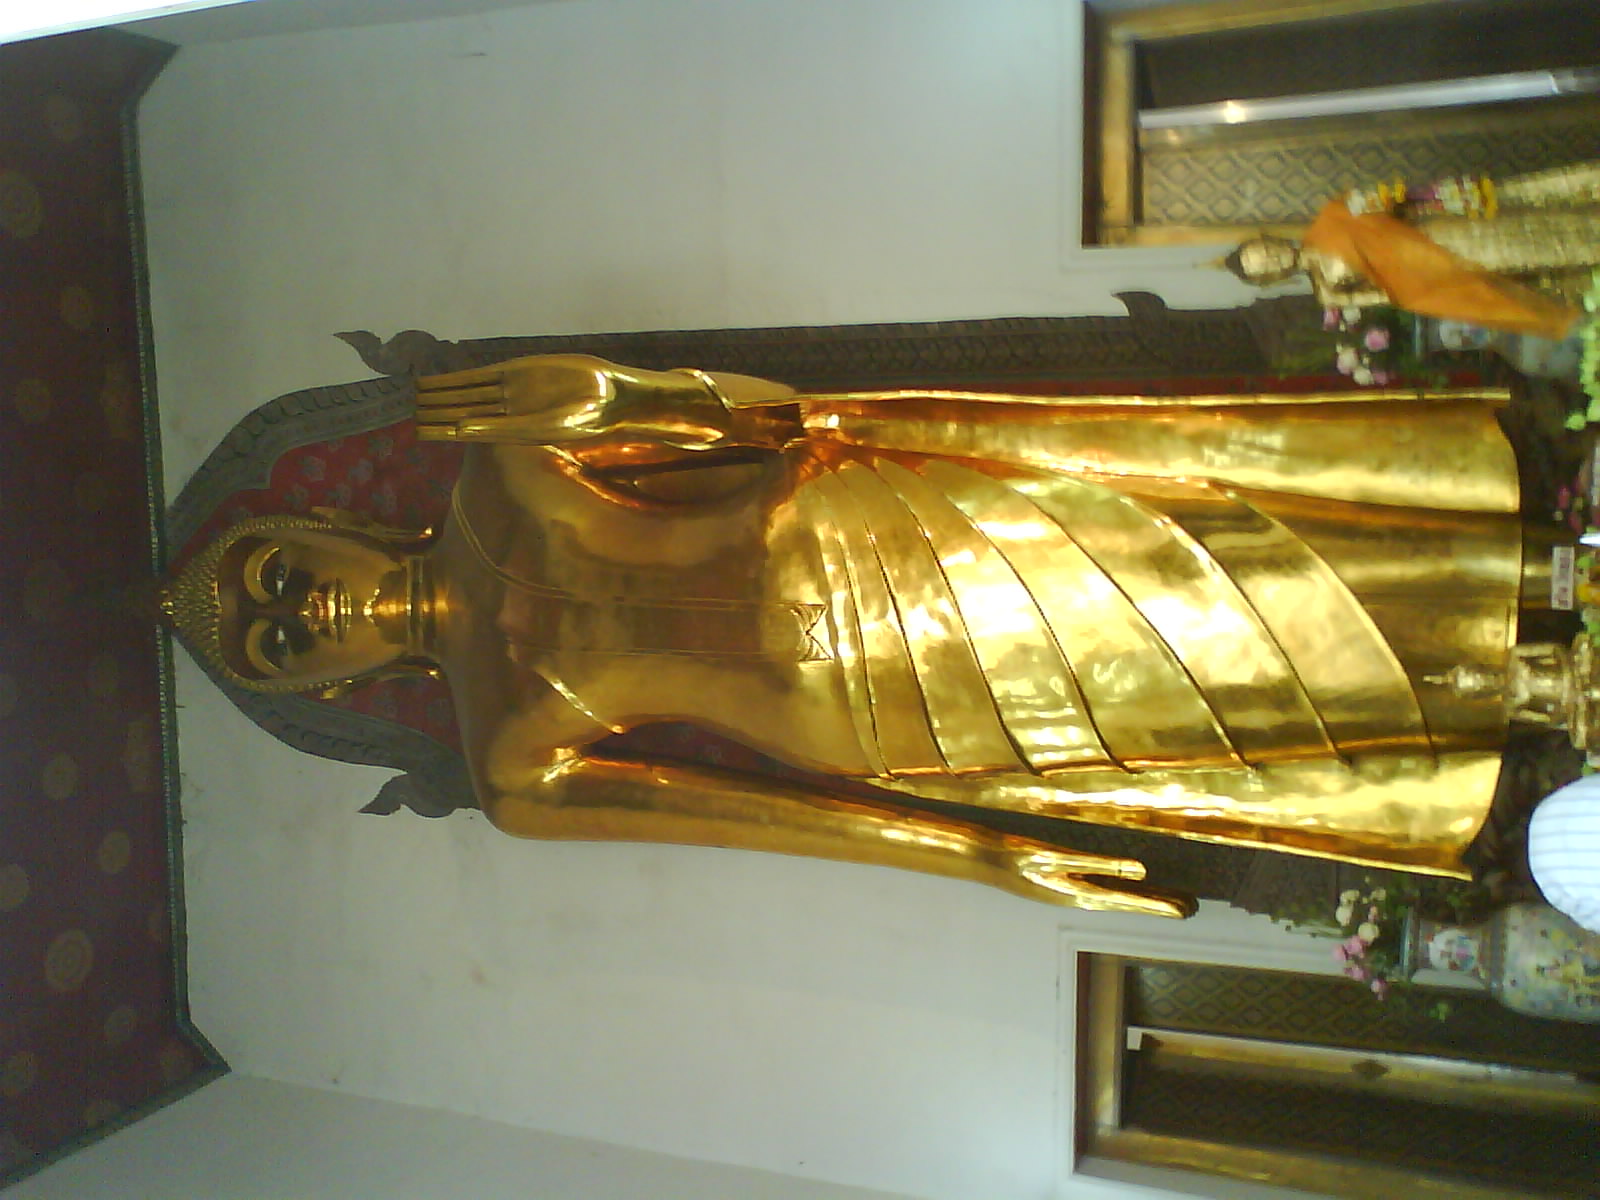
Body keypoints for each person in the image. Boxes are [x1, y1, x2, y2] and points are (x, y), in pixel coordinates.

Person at [164, 355, 1545, 917]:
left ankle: (1523, 568)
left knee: (1202, 546)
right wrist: (990, 854)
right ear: (327, 684)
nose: (308, 608)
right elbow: (771, 824)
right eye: (282, 643)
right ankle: (1520, 700)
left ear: (317, 526)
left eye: (276, 577)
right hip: (888, 716)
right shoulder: (512, 769)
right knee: (1221, 703)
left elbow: (761, 417)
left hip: (885, 525)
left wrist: (607, 393)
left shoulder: (507, 470)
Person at [1224, 162, 1600, 340]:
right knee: (1534, 265)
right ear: (1271, 278)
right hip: (1439, 275)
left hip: (1440, 234)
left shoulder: (1329, 218)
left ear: (1271, 240)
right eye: (1265, 266)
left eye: (1265, 250)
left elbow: (1395, 201)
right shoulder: (1328, 293)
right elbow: (1393, 297)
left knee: (1530, 230)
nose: (1272, 258)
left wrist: (1423, 203)